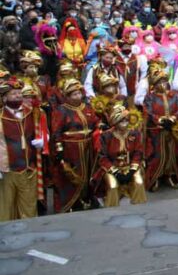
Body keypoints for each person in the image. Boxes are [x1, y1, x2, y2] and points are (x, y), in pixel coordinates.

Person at [50, 79, 98, 213]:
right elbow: (56, 131)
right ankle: (73, 202)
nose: (78, 97)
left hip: (88, 146)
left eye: (79, 94)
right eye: (74, 95)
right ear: (67, 96)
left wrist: (100, 127)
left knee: (89, 172)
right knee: (73, 175)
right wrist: (59, 150)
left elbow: (95, 122)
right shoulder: (61, 110)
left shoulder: (87, 108)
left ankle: (87, 198)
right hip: (71, 148)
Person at [0, 77, 41, 221]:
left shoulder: (31, 112)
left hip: (28, 167)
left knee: (29, 205)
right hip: (7, 169)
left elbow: (41, 129)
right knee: (6, 204)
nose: (18, 96)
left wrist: (43, 141)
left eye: (19, 93)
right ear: (4, 98)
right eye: (14, 94)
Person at [93, 103, 147, 207]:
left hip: (130, 167)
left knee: (139, 182)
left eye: (126, 119)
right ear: (115, 121)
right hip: (112, 168)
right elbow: (102, 157)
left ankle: (140, 209)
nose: (125, 122)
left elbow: (138, 152)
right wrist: (115, 172)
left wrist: (132, 169)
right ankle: (111, 211)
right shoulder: (106, 136)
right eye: (122, 120)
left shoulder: (134, 133)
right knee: (113, 186)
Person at [142, 67, 178, 192]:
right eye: (159, 82)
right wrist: (159, 120)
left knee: (172, 153)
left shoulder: (174, 95)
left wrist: (173, 119)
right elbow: (147, 111)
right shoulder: (150, 97)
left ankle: (170, 175)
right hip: (156, 131)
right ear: (154, 85)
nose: (162, 84)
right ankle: (156, 177)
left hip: (172, 129)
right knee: (157, 154)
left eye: (164, 81)